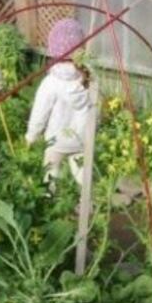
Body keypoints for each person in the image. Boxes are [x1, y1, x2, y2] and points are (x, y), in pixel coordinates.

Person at [25, 18, 93, 187]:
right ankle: (89, 202)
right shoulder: (89, 76)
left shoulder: (51, 82)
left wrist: (31, 136)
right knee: (81, 171)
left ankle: (49, 201)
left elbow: (39, 113)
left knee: (51, 170)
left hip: (57, 141)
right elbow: (95, 108)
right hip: (82, 138)